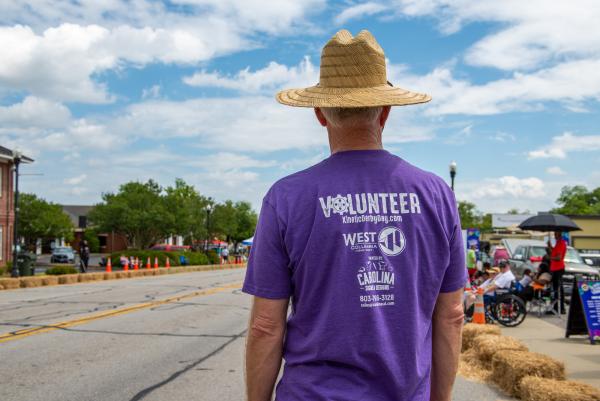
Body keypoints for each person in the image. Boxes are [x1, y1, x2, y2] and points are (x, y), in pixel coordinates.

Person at [243, 30, 466, 401]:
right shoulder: (437, 194)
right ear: (386, 112)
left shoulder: (286, 197)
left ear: (319, 114)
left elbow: (266, 326)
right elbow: (452, 315)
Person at [548, 231, 567, 313]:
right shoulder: (558, 243)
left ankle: (560, 308)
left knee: (557, 289)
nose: (555, 236)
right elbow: (555, 252)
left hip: (558, 268)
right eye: (554, 234)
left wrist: (550, 258)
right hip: (555, 268)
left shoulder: (561, 243)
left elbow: (558, 257)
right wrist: (550, 247)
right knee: (555, 289)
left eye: (556, 234)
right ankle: (556, 307)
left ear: (559, 234)